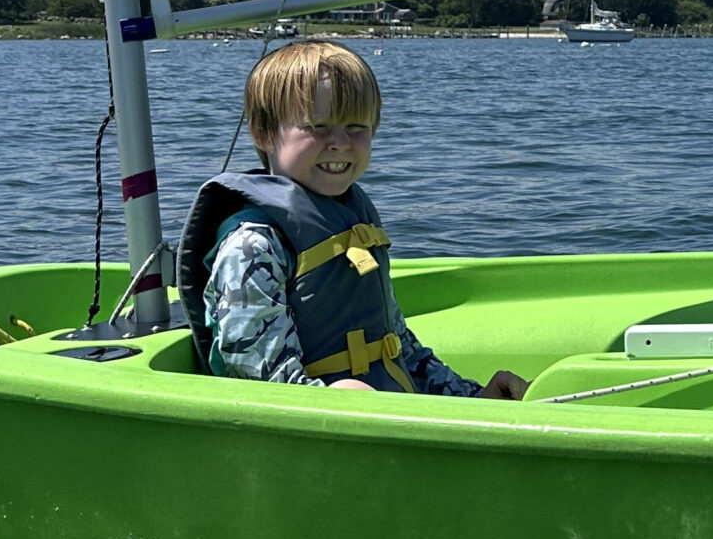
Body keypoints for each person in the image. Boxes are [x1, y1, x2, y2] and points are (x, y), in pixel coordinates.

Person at [176, 40, 527, 400]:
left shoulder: (352, 224)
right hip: (323, 422)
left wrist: (473, 397)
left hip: (383, 410)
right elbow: (257, 376)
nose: (341, 143)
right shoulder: (253, 246)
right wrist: (332, 402)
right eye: (318, 126)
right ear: (263, 132)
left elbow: (400, 347)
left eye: (357, 126)